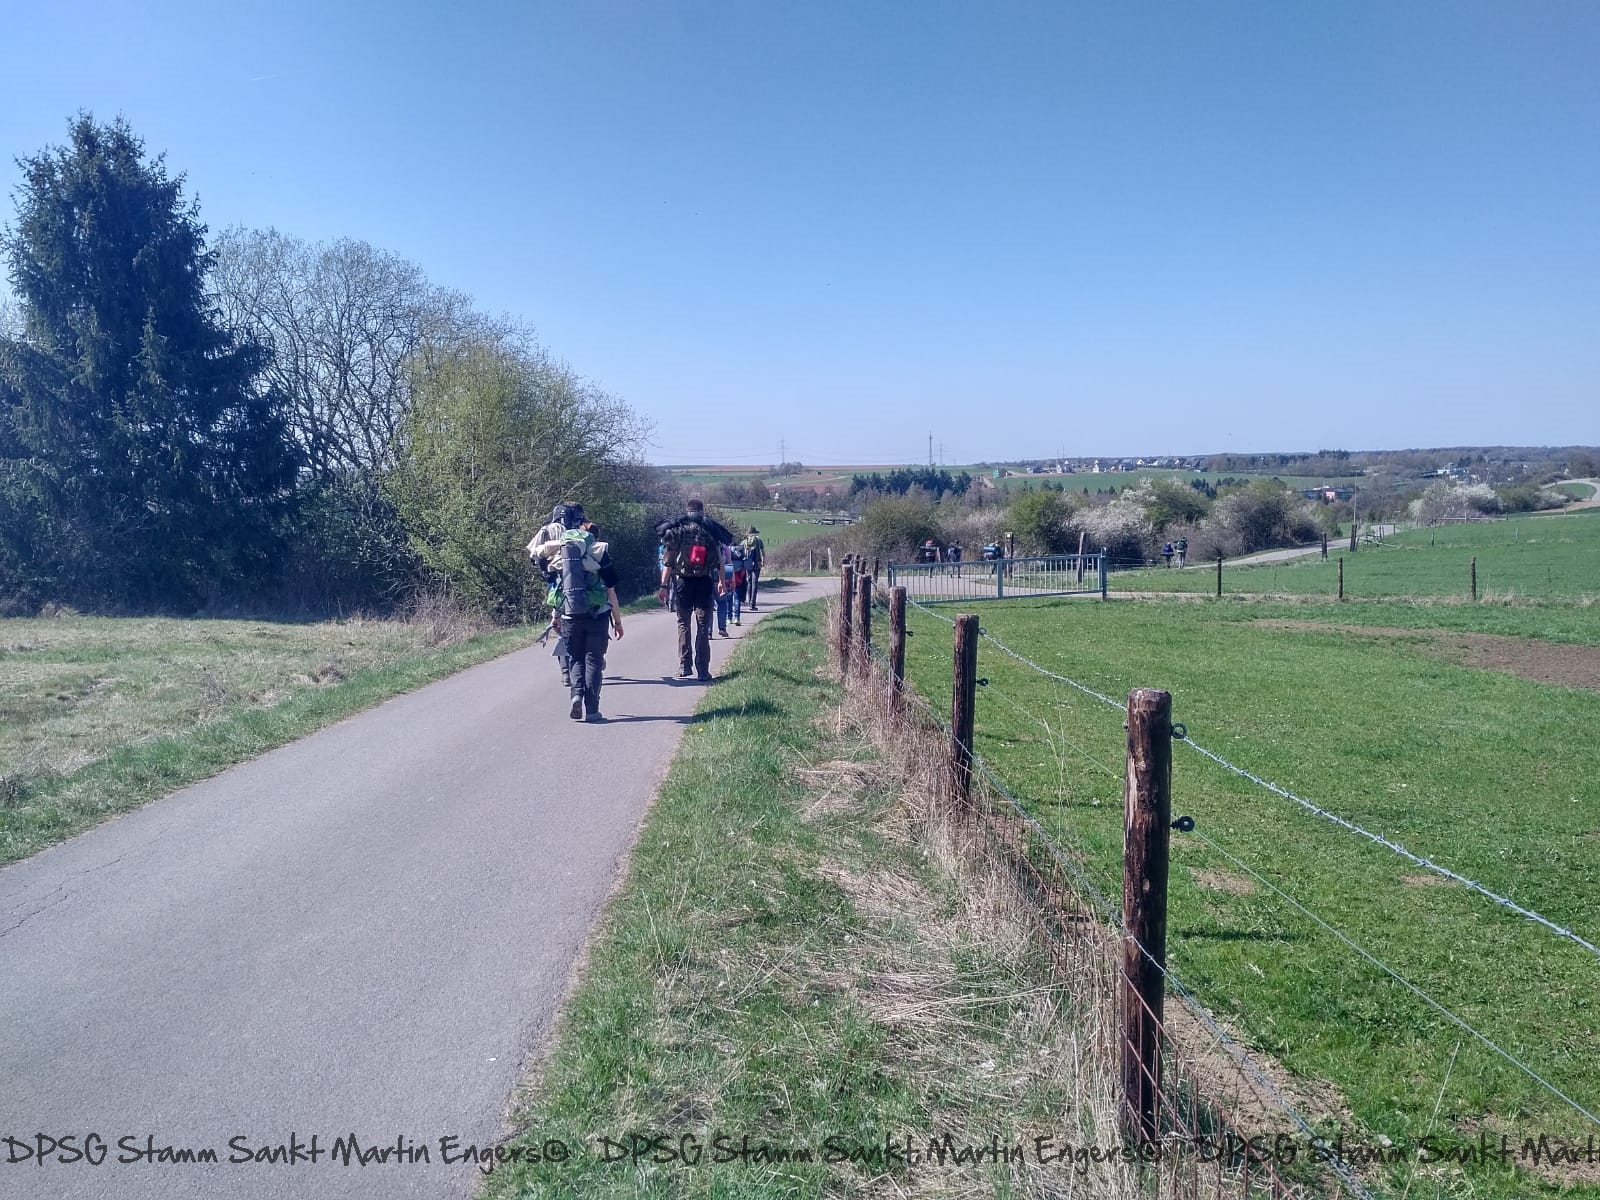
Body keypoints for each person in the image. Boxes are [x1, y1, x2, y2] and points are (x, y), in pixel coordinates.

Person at [536, 512, 624, 721]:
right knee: (593, 660)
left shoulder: (563, 557)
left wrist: (555, 617)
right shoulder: (599, 554)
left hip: (570, 616)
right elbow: (611, 592)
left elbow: (558, 590)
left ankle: (576, 696)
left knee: (575, 659)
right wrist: (618, 622)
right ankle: (592, 710)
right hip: (597, 616)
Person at [657, 499, 734, 680]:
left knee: (683, 624)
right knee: (703, 626)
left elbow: (668, 562)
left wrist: (663, 586)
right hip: (704, 583)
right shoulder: (710, 531)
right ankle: (703, 671)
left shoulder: (677, 531)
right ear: (702, 511)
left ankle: (685, 666)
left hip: (683, 583)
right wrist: (722, 582)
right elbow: (719, 561)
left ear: (688, 510)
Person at [741, 526, 765, 610]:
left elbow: (741, 551)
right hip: (757, 563)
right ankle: (752, 604)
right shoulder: (758, 540)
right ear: (754, 532)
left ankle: (748, 602)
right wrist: (763, 561)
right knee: (755, 583)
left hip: (748, 564)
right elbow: (762, 552)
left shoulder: (745, 541)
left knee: (749, 582)